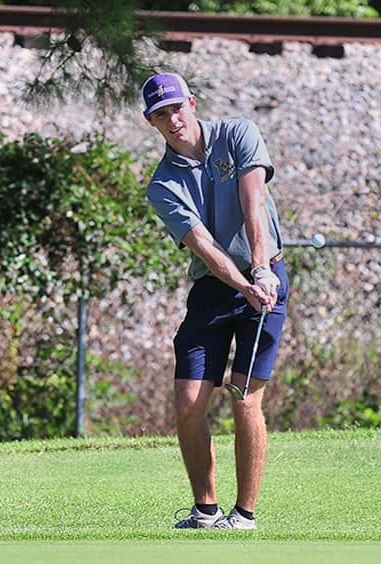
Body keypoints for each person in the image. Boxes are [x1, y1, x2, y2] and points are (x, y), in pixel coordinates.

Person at [142, 72, 289, 530]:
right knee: (188, 402)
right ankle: (206, 510)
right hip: (214, 289)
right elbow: (203, 245)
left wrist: (260, 272)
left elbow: (254, 206)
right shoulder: (162, 185)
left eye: (176, 108)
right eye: (160, 115)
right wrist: (242, 285)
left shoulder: (238, 133)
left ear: (192, 102)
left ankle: (243, 515)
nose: (173, 119)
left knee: (243, 397)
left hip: (266, 276)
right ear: (153, 123)